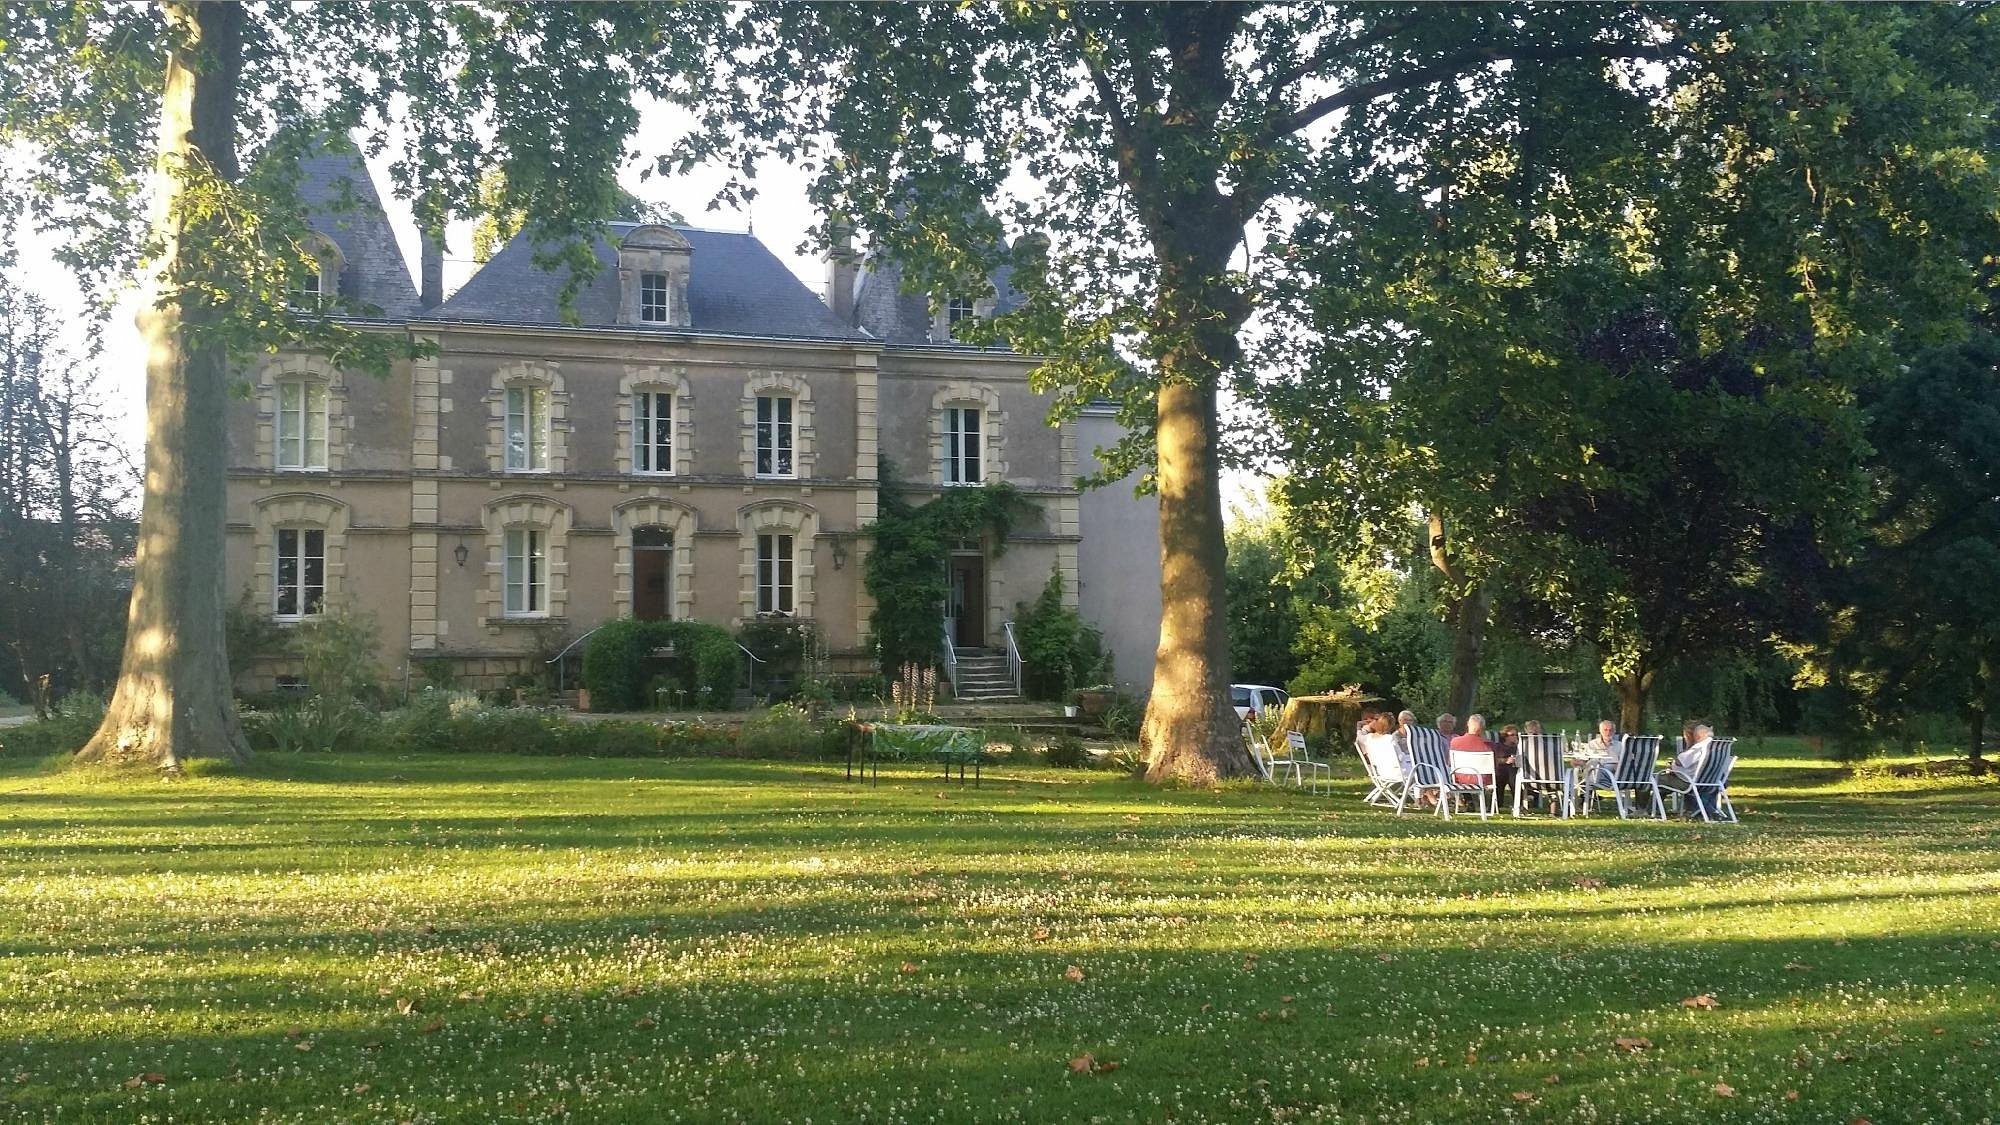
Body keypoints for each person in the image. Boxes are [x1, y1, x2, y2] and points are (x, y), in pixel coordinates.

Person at [1661, 722, 1718, 817]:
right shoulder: (1715, 747)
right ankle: (1693, 809)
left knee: (1658, 780)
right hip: (1711, 782)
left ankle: (1650, 808)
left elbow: (1679, 761)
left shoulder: (1699, 747)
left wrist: (1689, 744)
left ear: (1697, 735)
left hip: (1690, 783)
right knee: (1665, 781)